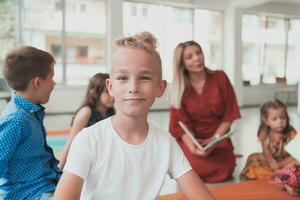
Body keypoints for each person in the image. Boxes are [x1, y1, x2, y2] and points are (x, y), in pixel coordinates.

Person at [53, 32, 215, 200]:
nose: (133, 87)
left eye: (144, 77)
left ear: (160, 87)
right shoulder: (88, 140)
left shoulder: (166, 143)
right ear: (110, 86)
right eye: (123, 77)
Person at [169, 41, 241, 183]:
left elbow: (229, 115)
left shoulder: (220, 77)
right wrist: (194, 148)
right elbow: (179, 127)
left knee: (227, 167)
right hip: (193, 140)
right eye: (189, 57)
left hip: (217, 136)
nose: (197, 58)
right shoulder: (179, 89)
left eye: (199, 53)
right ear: (182, 64)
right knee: (191, 166)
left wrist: (214, 139)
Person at [0, 46, 61, 199]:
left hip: (46, 183)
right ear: (37, 83)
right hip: (30, 193)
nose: (54, 84)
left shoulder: (30, 112)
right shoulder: (16, 119)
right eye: (51, 78)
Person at [58, 73, 114, 169]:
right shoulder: (86, 112)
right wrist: (59, 170)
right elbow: (71, 142)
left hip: (101, 163)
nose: (112, 95)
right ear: (94, 93)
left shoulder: (111, 112)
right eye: (107, 91)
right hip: (84, 162)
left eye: (112, 90)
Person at [240, 99, 297, 180]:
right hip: (270, 161)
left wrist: (282, 164)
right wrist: (272, 162)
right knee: (253, 160)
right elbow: (266, 152)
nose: (280, 121)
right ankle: (278, 174)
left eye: (283, 118)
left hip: (287, 160)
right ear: (266, 121)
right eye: (275, 119)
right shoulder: (264, 132)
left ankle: (283, 173)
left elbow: (296, 152)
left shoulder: (291, 131)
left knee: (296, 163)